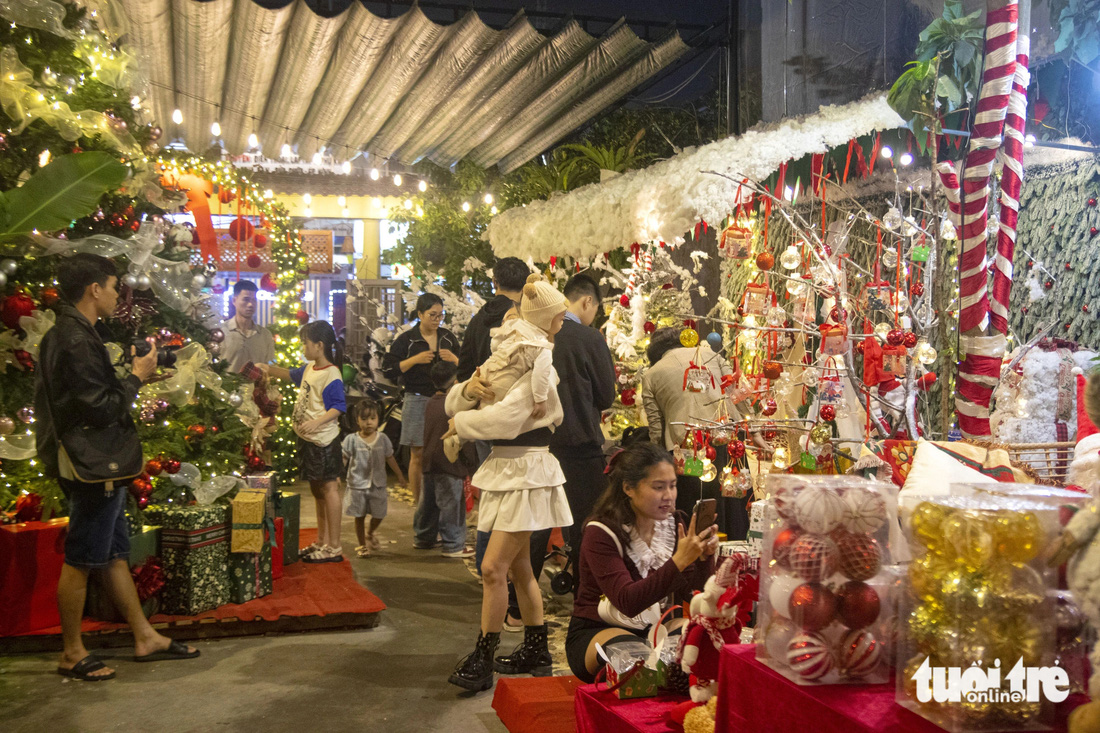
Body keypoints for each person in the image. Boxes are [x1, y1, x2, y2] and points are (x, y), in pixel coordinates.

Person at [35, 252, 199, 682]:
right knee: (83, 557)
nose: (116, 294)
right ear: (94, 289)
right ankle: (72, 651)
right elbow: (101, 408)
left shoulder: (75, 333)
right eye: (112, 286)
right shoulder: (73, 338)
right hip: (92, 463)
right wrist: (136, 378)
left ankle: (144, 636)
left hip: (95, 459)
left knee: (112, 554)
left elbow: (88, 393)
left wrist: (130, 371)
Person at [445, 278, 573, 691]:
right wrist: (467, 390)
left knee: (491, 567)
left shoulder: (541, 368)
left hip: (526, 470)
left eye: (514, 323)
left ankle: (484, 654)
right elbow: (455, 399)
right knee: (518, 568)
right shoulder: (507, 362)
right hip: (507, 469)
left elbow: (505, 419)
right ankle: (536, 649)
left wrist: (459, 423)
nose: (506, 333)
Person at [566, 442, 719, 683]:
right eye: (658, 487)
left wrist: (702, 558)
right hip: (599, 629)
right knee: (638, 661)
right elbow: (628, 601)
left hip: (657, 627)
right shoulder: (601, 532)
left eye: (673, 486)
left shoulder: (675, 523)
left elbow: (692, 593)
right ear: (628, 488)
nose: (668, 496)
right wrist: (680, 560)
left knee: (701, 644)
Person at [642, 327, 754, 538]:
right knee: (733, 499)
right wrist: (753, 429)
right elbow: (738, 392)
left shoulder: (651, 374)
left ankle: (699, 557)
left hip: (687, 447)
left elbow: (656, 427)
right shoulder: (711, 355)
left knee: (696, 505)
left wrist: (658, 457)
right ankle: (736, 550)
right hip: (729, 436)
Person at [549, 273, 616, 584]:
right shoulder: (590, 339)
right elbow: (606, 395)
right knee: (587, 520)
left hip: (542, 443)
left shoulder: (541, 332)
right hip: (580, 442)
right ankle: (584, 597)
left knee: (538, 525)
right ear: (588, 301)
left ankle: (517, 606)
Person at [261, 320, 347, 563]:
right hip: (309, 441)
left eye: (304, 343)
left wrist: (316, 422)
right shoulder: (310, 367)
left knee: (329, 489)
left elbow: (338, 407)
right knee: (317, 490)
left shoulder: (331, 374)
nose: (302, 347)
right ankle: (322, 540)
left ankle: (334, 546)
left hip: (323, 442)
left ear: (319, 345)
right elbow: (291, 374)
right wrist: (266, 369)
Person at [382, 294, 461, 507]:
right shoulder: (407, 340)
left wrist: (454, 359)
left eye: (440, 315)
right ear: (420, 314)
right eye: (432, 315)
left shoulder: (447, 338)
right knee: (417, 453)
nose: (437, 320)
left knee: (445, 449)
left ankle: (443, 501)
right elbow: (388, 369)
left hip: (445, 399)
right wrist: (414, 360)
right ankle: (418, 503)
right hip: (416, 398)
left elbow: (466, 368)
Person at [414, 361, 476, 558]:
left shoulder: (431, 402)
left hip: (429, 460)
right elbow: (464, 438)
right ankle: (453, 544)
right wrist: (470, 464)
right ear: (456, 382)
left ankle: (424, 537)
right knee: (452, 505)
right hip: (449, 462)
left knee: (429, 503)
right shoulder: (455, 407)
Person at [342, 400, 405, 558]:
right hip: (357, 485)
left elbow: (390, 457)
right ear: (357, 420)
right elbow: (344, 458)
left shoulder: (383, 438)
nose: (368, 422)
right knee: (359, 516)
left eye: (372, 418)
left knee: (379, 514)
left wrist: (400, 476)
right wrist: (337, 475)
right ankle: (362, 545)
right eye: (364, 419)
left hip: (377, 485)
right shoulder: (352, 439)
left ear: (378, 419)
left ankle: (370, 532)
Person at [456, 256, 530, 383]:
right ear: (527, 283)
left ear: (494, 281)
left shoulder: (477, 320)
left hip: (483, 395)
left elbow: (464, 372)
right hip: (518, 396)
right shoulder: (528, 317)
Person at [221, 280, 275, 373]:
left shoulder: (264, 335)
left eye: (254, 300)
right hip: (226, 387)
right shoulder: (222, 332)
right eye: (246, 299)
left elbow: (270, 366)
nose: (250, 304)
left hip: (256, 387)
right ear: (234, 300)